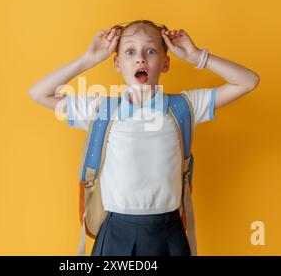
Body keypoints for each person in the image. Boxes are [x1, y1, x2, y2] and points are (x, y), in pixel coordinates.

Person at [29, 20, 260, 255]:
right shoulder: (103, 109)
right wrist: (88, 59)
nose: (140, 58)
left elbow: (248, 81)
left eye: (151, 51)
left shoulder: (182, 107)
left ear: (166, 62)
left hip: (170, 233)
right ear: (117, 63)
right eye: (130, 51)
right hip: (115, 234)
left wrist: (197, 56)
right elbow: (39, 93)